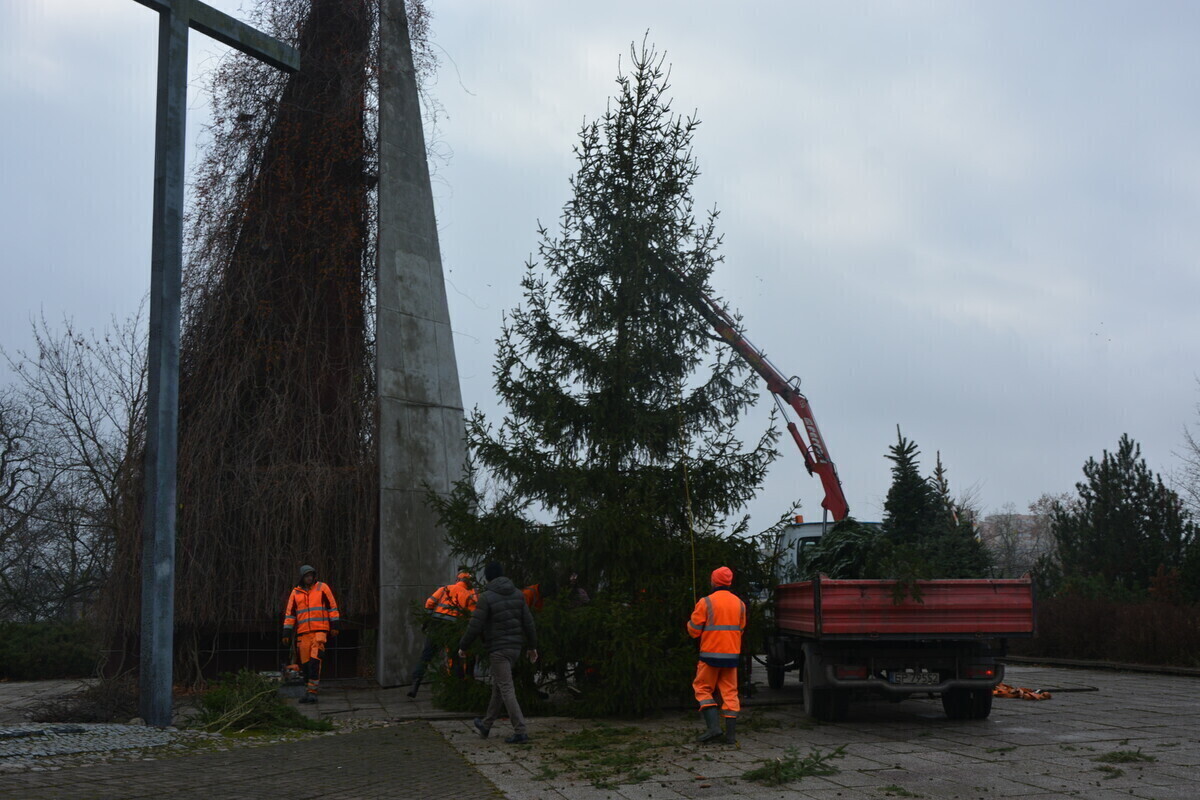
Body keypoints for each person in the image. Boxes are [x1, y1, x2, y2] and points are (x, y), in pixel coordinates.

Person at [457, 562, 538, 744]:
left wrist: (463, 646)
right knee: (499, 687)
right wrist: (532, 647)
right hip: (515, 648)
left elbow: (475, 625)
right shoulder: (518, 594)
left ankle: (520, 731)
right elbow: (529, 623)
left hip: (498, 649)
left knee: (506, 688)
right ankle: (486, 724)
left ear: (487, 578)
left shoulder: (486, 597)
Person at [688, 566, 746, 744]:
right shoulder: (739, 603)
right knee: (730, 693)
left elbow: (694, 631)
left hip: (710, 656)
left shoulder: (706, 602)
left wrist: (690, 624)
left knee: (703, 688)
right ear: (729, 582)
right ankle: (730, 736)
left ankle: (713, 729)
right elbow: (741, 629)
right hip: (731, 656)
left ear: (713, 581)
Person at [408, 569, 477, 698]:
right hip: (453, 628)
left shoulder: (445, 589)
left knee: (426, 655)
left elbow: (429, 603)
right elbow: (471, 616)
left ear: (457, 580)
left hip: (436, 625)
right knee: (454, 657)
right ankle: (457, 690)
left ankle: (415, 684)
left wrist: (427, 621)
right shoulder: (469, 595)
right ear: (469, 583)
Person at [282, 564, 340, 703]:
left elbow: (332, 607)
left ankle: (312, 692)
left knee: (315, 662)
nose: (309, 578)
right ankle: (308, 691)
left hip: (319, 632)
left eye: (311, 575)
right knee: (306, 666)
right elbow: (290, 615)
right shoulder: (295, 593)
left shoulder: (322, 588)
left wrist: (335, 625)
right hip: (303, 635)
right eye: (307, 576)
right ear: (302, 578)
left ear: (314, 576)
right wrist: (286, 632)